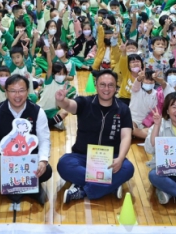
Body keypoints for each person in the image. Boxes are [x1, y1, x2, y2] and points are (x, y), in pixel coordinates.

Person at [55, 70, 135, 203]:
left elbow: (126, 136)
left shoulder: (123, 109)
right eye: (102, 84)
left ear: (116, 88)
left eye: (110, 85)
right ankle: (109, 186)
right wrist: (62, 100)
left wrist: (120, 159)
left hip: (110, 160)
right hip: (82, 156)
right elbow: (69, 105)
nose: (106, 89)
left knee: (128, 168)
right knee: (64, 164)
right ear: (96, 86)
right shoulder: (85, 102)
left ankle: (83, 190)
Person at [0, 74, 51, 205]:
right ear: (6, 92)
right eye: (12, 91)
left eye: (21, 90)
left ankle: (2, 186)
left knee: (47, 171)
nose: (17, 95)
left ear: (28, 91)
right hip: (3, 158)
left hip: (28, 158)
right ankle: (31, 189)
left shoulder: (37, 111)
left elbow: (44, 139)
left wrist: (43, 160)